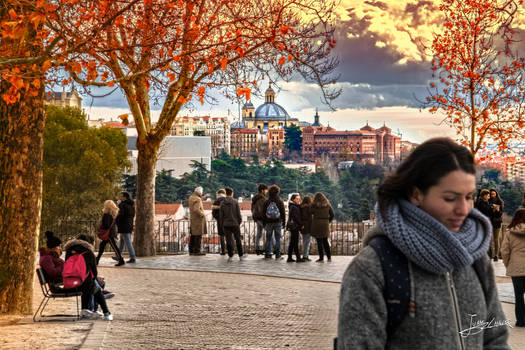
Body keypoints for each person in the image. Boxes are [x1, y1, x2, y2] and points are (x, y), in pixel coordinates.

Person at [337, 138, 509, 349]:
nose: (463, 209)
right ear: (416, 194)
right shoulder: (373, 267)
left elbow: (496, 338)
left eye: (469, 197)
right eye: (450, 198)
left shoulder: (476, 257)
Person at [64, 236, 113, 320]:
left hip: (69, 283)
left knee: (89, 285)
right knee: (95, 288)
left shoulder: (69, 251)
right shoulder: (88, 252)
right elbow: (94, 271)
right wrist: (93, 279)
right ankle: (106, 313)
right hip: (83, 283)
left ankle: (85, 310)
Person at [501, 208, 525, 328]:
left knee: (518, 296)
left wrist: (508, 264)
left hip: (516, 268)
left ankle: (521, 321)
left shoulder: (509, 232)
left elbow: (504, 252)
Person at [219, 187, 246, 261]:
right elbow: (238, 214)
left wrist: (222, 224)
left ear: (225, 193)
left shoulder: (222, 203)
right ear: (232, 193)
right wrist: (238, 222)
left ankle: (230, 256)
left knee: (228, 240)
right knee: (238, 240)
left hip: (226, 224)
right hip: (235, 224)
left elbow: (221, 216)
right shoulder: (235, 202)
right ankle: (240, 255)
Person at [96, 200, 124, 266]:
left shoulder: (106, 215)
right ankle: (97, 259)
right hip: (111, 232)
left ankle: (121, 260)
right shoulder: (113, 214)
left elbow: (106, 225)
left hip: (108, 234)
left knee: (114, 247)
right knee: (102, 245)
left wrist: (101, 225)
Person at [262, 184, 286, 259]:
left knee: (268, 239)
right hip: (278, 222)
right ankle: (278, 255)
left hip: (268, 222)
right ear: (277, 192)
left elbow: (263, 213)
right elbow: (283, 213)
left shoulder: (267, 201)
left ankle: (267, 254)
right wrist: (284, 222)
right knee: (278, 239)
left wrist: (264, 223)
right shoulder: (280, 201)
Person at [310, 192, 334, 262]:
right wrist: (328, 221)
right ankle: (329, 257)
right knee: (325, 241)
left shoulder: (314, 205)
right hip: (325, 224)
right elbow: (332, 214)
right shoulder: (328, 205)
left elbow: (310, 212)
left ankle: (321, 258)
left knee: (319, 242)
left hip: (317, 223)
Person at [115, 191, 137, 263]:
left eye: (121, 196)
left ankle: (133, 257)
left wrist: (116, 220)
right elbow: (133, 215)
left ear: (124, 197)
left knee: (128, 242)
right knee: (122, 241)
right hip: (129, 225)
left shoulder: (122, 205)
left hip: (124, 226)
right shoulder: (131, 205)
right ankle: (118, 256)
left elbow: (120, 215)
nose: (119, 197)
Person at [189, 186, 207, 255]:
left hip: (193, 219)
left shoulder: (191, 197)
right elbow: (196, 209)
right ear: (199, 192)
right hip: (198, 219)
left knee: (193, 235)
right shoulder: (198, 199)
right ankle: (197, 250)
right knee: (198, 235)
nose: (202, 194)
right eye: (201, 193)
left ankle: (191, 250)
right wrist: (202, 214)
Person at [252, 183, 269, 255]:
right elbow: (262, 210)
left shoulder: (255, 198)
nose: (267, 191)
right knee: (269, 233)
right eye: (266, 190)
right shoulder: (262, 199)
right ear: (262, 190)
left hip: (256, 218)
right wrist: (265, 218)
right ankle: (268, 248)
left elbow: (252, 208)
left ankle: (257, 248)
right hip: (262, 219)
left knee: (259, 234)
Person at [286, 193, 303, 262]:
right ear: (293, 199)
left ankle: (289, 257)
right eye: (297, 199)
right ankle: (298, 257)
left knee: (292, 242)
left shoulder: (292, 206)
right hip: (295, 226)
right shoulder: (294, 207)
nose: (298, 200)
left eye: (299, 199)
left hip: (293, 226)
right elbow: (296, 217)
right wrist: (301, 225)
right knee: (295, 242)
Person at [489, 189, 504, 261]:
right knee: (489, 239)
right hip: (489, 222)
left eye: (494, 194)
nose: (492, 195)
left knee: (496, 239)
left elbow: (501, 213)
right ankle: (490, 254)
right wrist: (492, 210)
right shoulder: (488, 202)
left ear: (496, 194)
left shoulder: (500, 202)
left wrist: (497, 210)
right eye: (491, 194)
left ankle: (496, 255)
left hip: (497, 222)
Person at [212, 189, 227, 255]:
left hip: (220, 221)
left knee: (222, 236)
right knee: (229, 235)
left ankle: (223, 251)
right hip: (228, 220)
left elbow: (213, 213)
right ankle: (231, 250)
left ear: (218, 194)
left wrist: (218, 218)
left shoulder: (216, 201)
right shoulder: (227, 199)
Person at [299, 195, 313, 262]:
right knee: (307, 242)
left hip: (302, 225)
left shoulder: (300, 207)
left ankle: (305, 255)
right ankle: (305, 256)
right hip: (308, 225)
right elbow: (310, 218)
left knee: (304, 241)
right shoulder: (309, 208)